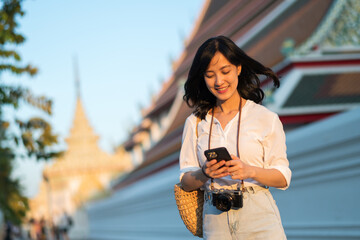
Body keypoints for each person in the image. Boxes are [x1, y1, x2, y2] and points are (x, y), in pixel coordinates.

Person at [179, 36, 291, 239]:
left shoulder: (265, 118)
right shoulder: (195, 123)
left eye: (225, 71)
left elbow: (283, 177)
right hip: (215, 219)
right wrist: (205, 173)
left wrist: (249, 171)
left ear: (238, 68)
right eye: (210, 75)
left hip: (259, 217)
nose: (219, 81)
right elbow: (185, 181)